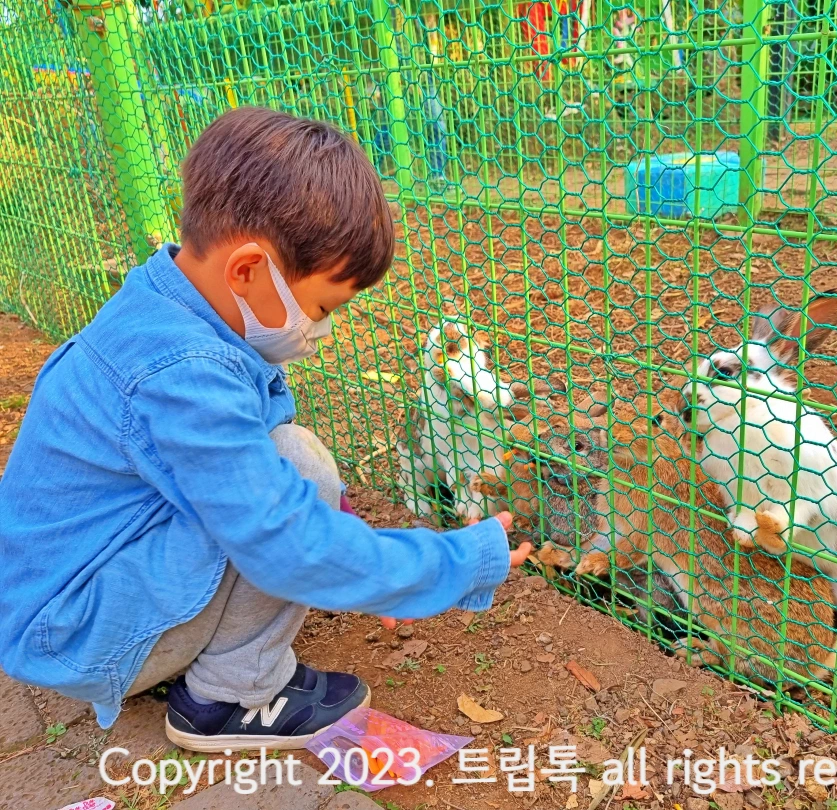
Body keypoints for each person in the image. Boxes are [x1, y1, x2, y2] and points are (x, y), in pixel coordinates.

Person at [0, 107, 531, 753]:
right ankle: (232, 697)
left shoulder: (163, 303)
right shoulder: (186, 372)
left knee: (287, 473)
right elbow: (286, 543)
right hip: (74, 634)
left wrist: (359, 555)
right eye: (320, 307)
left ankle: (178, 649)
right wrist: (449, 564)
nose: (322, 330)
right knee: (295, 474)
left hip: (73, 601)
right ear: (247, 269)